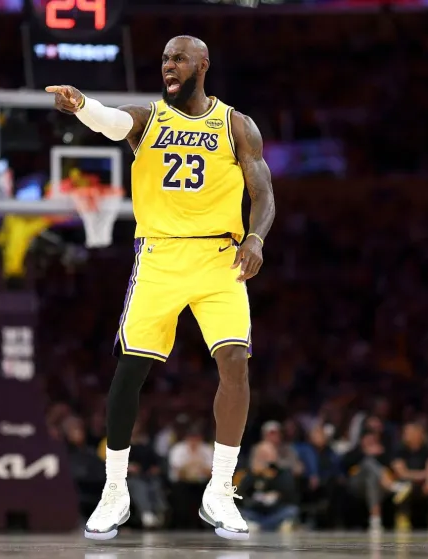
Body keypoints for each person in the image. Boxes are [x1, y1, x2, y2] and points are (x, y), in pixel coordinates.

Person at [47, 34, 276, 541]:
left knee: (235, 363)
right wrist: (82, 104)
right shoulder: (150, 118)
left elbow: (263, 192)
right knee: (130, 372)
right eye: (165, 60)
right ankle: (115, 490)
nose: (169, 66)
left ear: (203, 65)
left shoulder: (236, 124)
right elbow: (110, 122)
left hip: (221, 257)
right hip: (159, 257)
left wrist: (256, 237)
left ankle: (219, 490)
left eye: (179, 59)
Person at [237, 441, 299, 533]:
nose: (265, 459)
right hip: (255, 512)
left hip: (275, 511)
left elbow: (289, 493)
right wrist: (254, 475)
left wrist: (271, 475)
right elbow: (240, 495)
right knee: (237, 511)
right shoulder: (249, 474)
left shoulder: (282, 473)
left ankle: (260, 526)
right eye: (262, 455)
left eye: (267, 455)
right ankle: (271, 526)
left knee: (292, 510)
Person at [391, 422, 428, 531]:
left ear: (418, 434)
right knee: (404, 486)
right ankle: (402, 516)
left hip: (424, 483)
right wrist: (423, 475)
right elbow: (402, 473)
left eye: (408, 433)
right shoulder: (399, 448)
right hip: (407, 482)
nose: (405, 435)